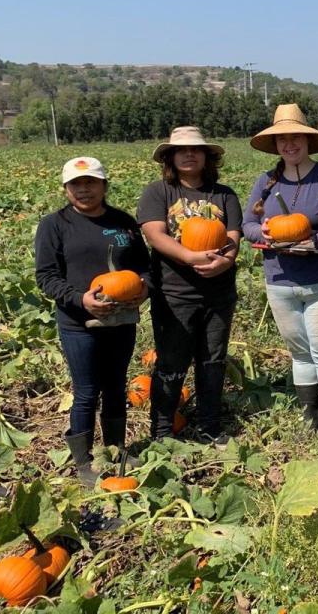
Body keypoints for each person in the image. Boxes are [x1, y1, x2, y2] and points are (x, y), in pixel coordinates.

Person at [35, 157, 150, 486]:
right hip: (77, 322)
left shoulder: (123, 222)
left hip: (121, 319)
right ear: (66, 189)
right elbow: (46, 277)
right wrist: (80, 299)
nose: (84, 189)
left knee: (115, 387)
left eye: (91, 183)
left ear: (104, 186)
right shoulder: (54, 225)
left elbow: (145, 268)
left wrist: (143, 290)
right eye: (76, 184)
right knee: (86, 392)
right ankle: (84, 462)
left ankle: (115, 450)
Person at [242, 104, 318, 430]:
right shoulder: (266, 182)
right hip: (280, 281)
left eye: (295, 138)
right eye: (282, 140)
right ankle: (312, 422)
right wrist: (260, 232)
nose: (289, 145)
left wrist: (317, 244)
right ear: (275, 145)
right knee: (301, 355)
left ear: (307, 141)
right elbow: (248, 224)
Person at [137, 126, 243, 448]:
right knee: (171, 362)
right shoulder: (158, 192)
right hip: (174, 295)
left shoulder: (224, 194)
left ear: (207, 156)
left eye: (196, 149)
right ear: (170, 157)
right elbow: (154, 234)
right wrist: (191, 256)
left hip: (218, 294)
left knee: (212, 360)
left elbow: (234, 237)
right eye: (181, 150)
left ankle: (210, 425)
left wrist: (225, 260)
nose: (189, 154)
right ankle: (163, 430)